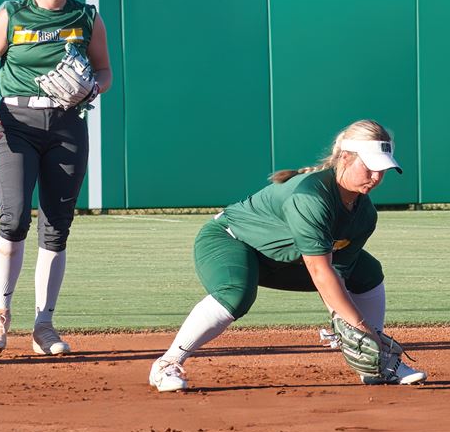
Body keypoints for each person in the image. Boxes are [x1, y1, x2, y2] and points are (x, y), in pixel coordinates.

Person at [148, 119, 425, 393]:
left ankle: (378, 365)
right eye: (370, 167)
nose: (376, 177)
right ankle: (167, 364)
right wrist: (360, 326)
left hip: (284, 258)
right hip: (231, 242)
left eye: (383, 169)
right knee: (236, 293)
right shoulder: (311, 197)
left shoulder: (364, 214)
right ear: (345, 158)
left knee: (367, 271)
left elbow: (338, 273)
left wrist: (347, 324)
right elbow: (320, 273)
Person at [0, 0, 111, 357]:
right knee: (13, 218)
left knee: (57, 223)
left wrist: (93, 87)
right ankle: (0, 310)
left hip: (67, 124)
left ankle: (44, 324)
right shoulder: (12, 16)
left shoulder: (87, 17)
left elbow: (104, 70)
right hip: (16, 123)